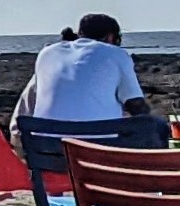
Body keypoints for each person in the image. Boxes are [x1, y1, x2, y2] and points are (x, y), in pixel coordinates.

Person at [18, 12, 159, 132]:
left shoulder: (46, 54)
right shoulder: (116, 54)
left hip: (44, 145)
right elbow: (136, 106)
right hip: (97, 145)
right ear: (110, 37)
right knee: (157, 127)